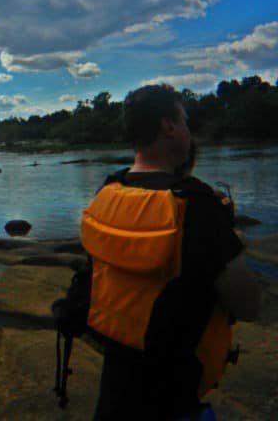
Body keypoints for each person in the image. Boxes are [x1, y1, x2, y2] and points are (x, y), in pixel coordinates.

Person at [82, 84, 261, 420]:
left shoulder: (108, 191)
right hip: (172, 400)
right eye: (186, 121)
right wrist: (232, 242)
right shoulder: (195, 206)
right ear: (169, 126)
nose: (188, 130)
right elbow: (249, 304)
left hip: (114, 393)